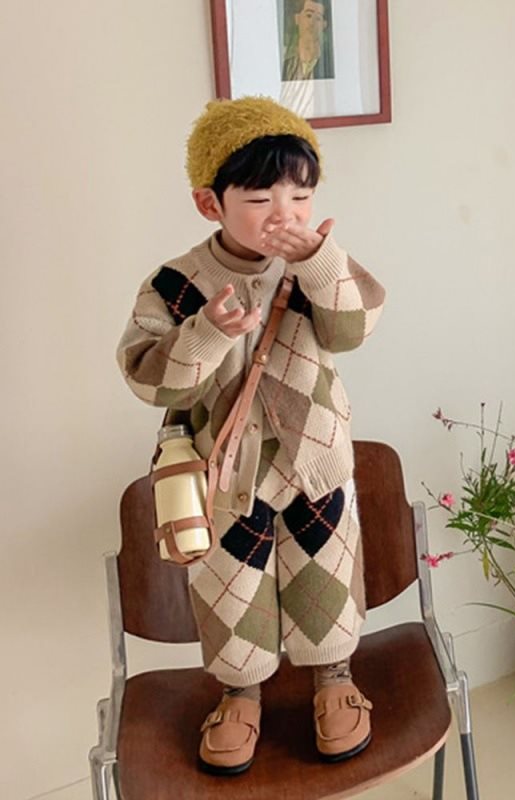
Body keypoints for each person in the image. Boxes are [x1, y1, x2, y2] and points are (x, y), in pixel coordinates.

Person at [116, 96, 385, 775]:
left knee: (326, 571)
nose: (284, 214)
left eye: (301, 195)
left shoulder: (315, 261)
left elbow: (353, 329)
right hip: (223, 476)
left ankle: (334, 678)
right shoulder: (176, 283)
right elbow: (148, 379)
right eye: (261, 197)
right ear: (210, 203)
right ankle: (240, 694)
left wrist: (320, 261)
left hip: (315, 461)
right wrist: (208, 331)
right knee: (231, 585)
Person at [281, 0, 334, 81]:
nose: (311, 23)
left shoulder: (328, 66)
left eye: (318, 18)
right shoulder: (285, 66)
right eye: (308, 15)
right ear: (297, 18)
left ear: (324, 25)